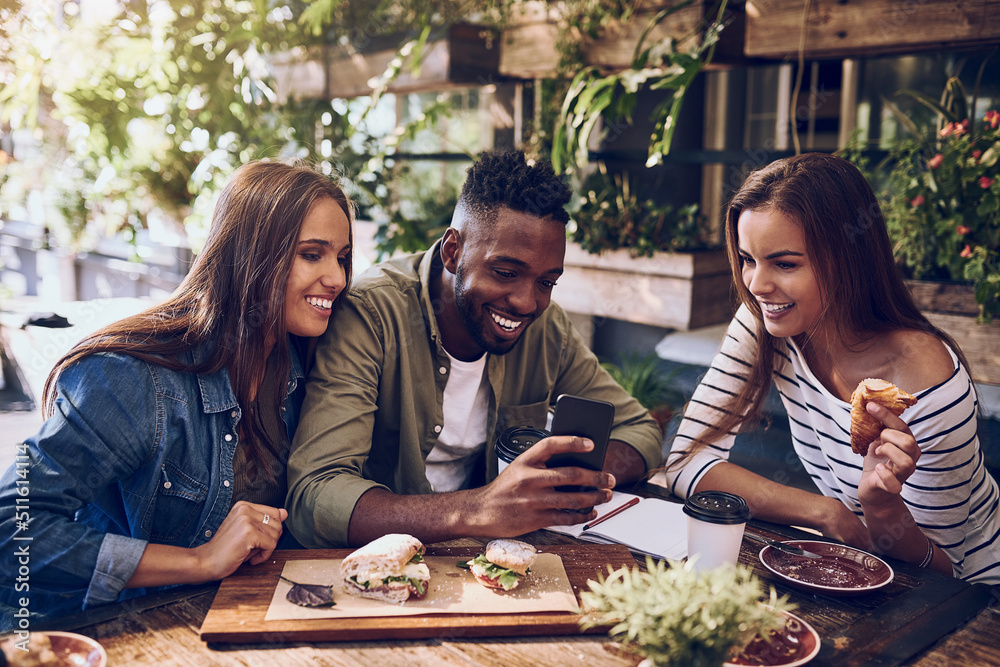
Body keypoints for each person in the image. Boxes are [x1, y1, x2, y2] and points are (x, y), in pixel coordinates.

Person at [0, 159, 354, 626]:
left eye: (343, 257)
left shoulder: (305, 367)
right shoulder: (132, 377)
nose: (338, 278)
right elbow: (13, 530)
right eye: (312, 254)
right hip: (92, 636)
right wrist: (200, 561)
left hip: (225, 621)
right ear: (250, 255)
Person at [286, 149, 663, 548]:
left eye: (546, 282)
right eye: (505, 273)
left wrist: (562, 483)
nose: (526, 303)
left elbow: (641, 431)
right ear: (453, 252)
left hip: (490, 561)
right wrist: (478, 509)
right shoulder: (371, 314)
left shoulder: (547, 329)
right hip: (380, 564)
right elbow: (316, 495)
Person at [660, 152, 999, 584]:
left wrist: (881, 508)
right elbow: (686, 464)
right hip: (859, 571)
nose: (757, 285)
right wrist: (823, 511)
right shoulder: (766, 324)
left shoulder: (928, 384)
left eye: (785, 263)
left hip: (975, 603)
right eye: (748, 259)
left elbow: (941, 572)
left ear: (848, 260)